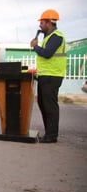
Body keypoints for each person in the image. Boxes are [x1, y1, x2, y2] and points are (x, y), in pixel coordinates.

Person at [30, 9, 67, 143]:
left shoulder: (57, 36)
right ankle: (49, 133)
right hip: (46, 76)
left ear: (49, 23)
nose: (40, 25)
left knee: (50, 106)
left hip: (53, 76)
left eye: (42, 22)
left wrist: (35, 47)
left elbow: (47, 53)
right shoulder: (48, 37)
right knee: (42, 104)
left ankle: (52, 136)